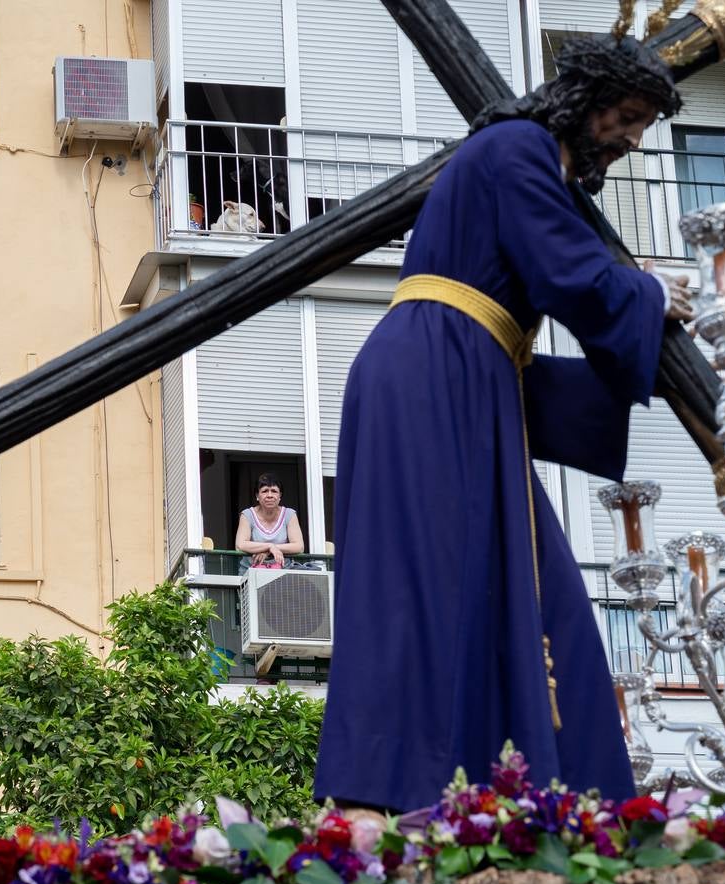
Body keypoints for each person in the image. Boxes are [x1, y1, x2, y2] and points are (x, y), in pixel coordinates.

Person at [313, 32, 696, 814]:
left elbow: (539, 293)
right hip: (431, 375)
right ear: (584, 101)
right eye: (624, 117)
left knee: (528, 592)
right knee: (420, 587)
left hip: (463, 375)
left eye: (640, 126)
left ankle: (528, 794)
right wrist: (650, 295)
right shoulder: (516, 147)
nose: (629, 139)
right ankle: (390, 793)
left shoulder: (529, 161)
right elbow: (567, 274)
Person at [235, 473, 305, 574]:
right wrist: (269, 546)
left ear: (280, 495)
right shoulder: (247, 515)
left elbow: (299, 546)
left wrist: (269, 550)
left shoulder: (289, 514)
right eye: (264, 491)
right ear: (257, 496)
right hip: (250, 575)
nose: (269, 495)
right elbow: (240, 545)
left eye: (274, 491)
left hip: (283, 575)